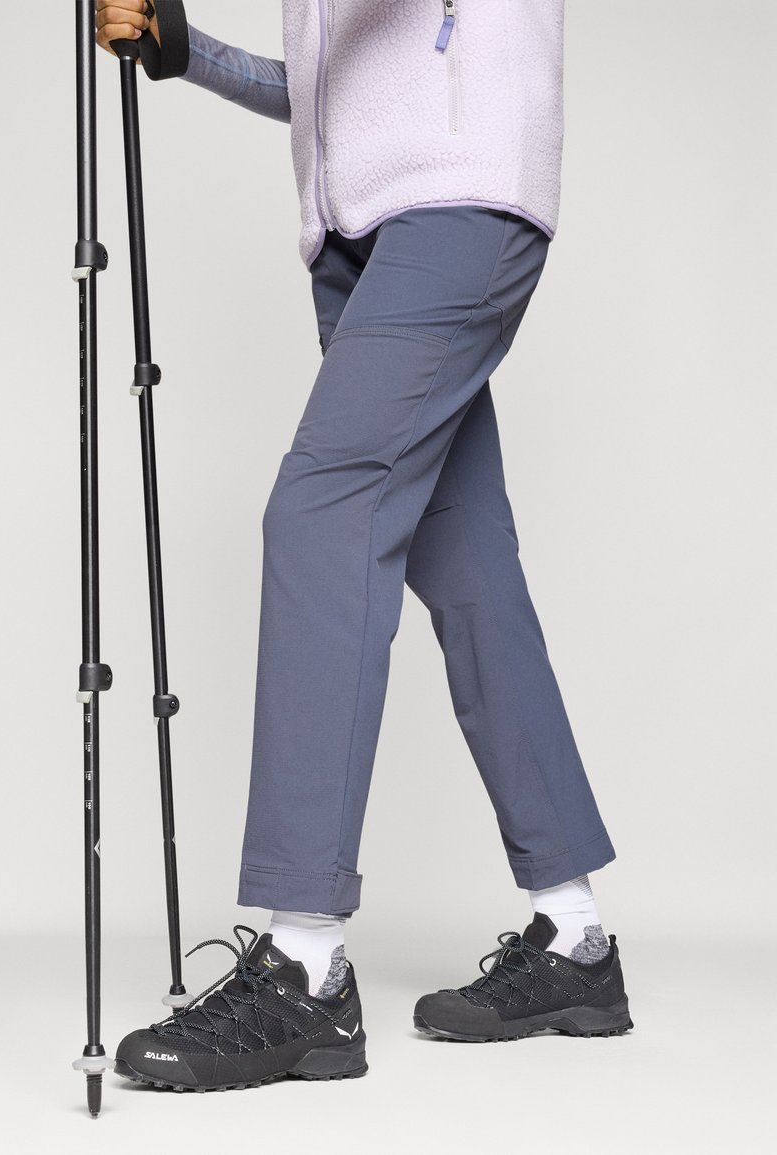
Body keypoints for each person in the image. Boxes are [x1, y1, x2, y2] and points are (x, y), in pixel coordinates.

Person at [96, 0, 633, 1093]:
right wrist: (182, 48)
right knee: (464, 562)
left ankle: (304, 970)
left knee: (321, 512)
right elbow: (328, 79)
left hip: (460, 206)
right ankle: (575, 940)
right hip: (362, 241)